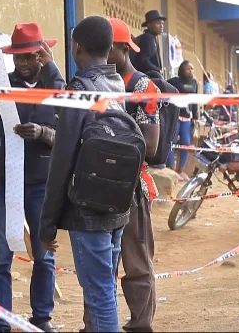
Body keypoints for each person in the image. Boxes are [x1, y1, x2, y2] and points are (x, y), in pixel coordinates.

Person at [0, 23, 65, 333]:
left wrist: (44, 133)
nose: (24, 64)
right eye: (19, 58)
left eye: (30, 57)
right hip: (3, 181)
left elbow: (71, 127)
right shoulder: (2, 82)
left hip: (42, 183)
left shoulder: (55, 84)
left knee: (44, 253)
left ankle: (42, 319)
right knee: (0, 254)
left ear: (42, 54)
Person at [40, 16, 129, 332]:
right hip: (117, 202)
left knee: (100, 293)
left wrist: (47, 222)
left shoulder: (80, 88)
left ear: (76, 47)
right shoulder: (116, 83)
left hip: (87, 207)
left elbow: (62, 158)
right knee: (106, 288)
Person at [106, 17, 159, 332]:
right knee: (102, 263)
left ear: (123, 48)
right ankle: (100, 322)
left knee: (136, 261)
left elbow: (150, 145)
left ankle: (140, 324)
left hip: (131, 186)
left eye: (105, 48)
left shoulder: (142, 87)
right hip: (95, 185)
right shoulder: (93, 83)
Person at [167, 61, 199, 181]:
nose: (190, 71)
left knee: (186, 143)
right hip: (175, 116)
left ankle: (180, 171)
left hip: (186, 117)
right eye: (188, 69)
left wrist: (195, 114)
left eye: (192, 69)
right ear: (182, 70)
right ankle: (171, 169)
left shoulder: (194, 83)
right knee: (173, 142)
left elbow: (195, 100)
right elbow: (164, 86)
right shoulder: (175, 81)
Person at [133, 10, 167, 78]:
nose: (161, 26)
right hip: (148, 77)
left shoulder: (153, 38)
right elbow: (143, 61)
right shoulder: (148, 38)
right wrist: (158, 71)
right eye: (158, 23)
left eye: (162, 23)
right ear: (149, 25)